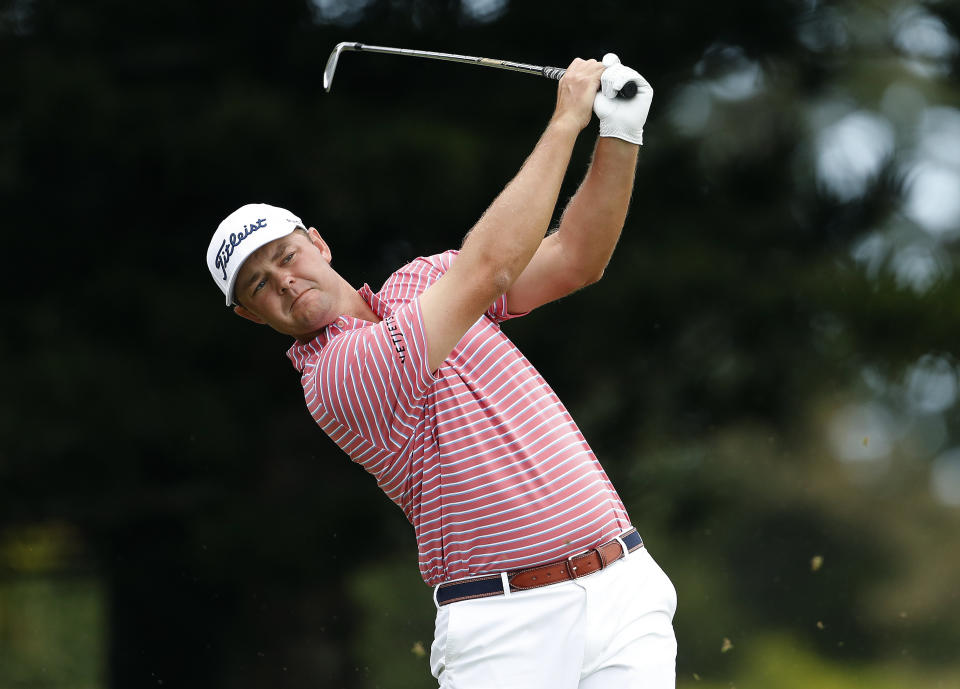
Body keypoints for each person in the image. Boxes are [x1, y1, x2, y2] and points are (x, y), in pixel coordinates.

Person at [206, 54, 676, 689]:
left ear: (318, 242)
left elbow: (574, 258)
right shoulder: (334, 379)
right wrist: (567, 120)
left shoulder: (422, 279)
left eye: (287, 256)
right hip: (506, 627)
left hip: (622, 585)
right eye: (259, 285)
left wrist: (620, 132)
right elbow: (487, 270)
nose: (285, 282)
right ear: (250, 316)